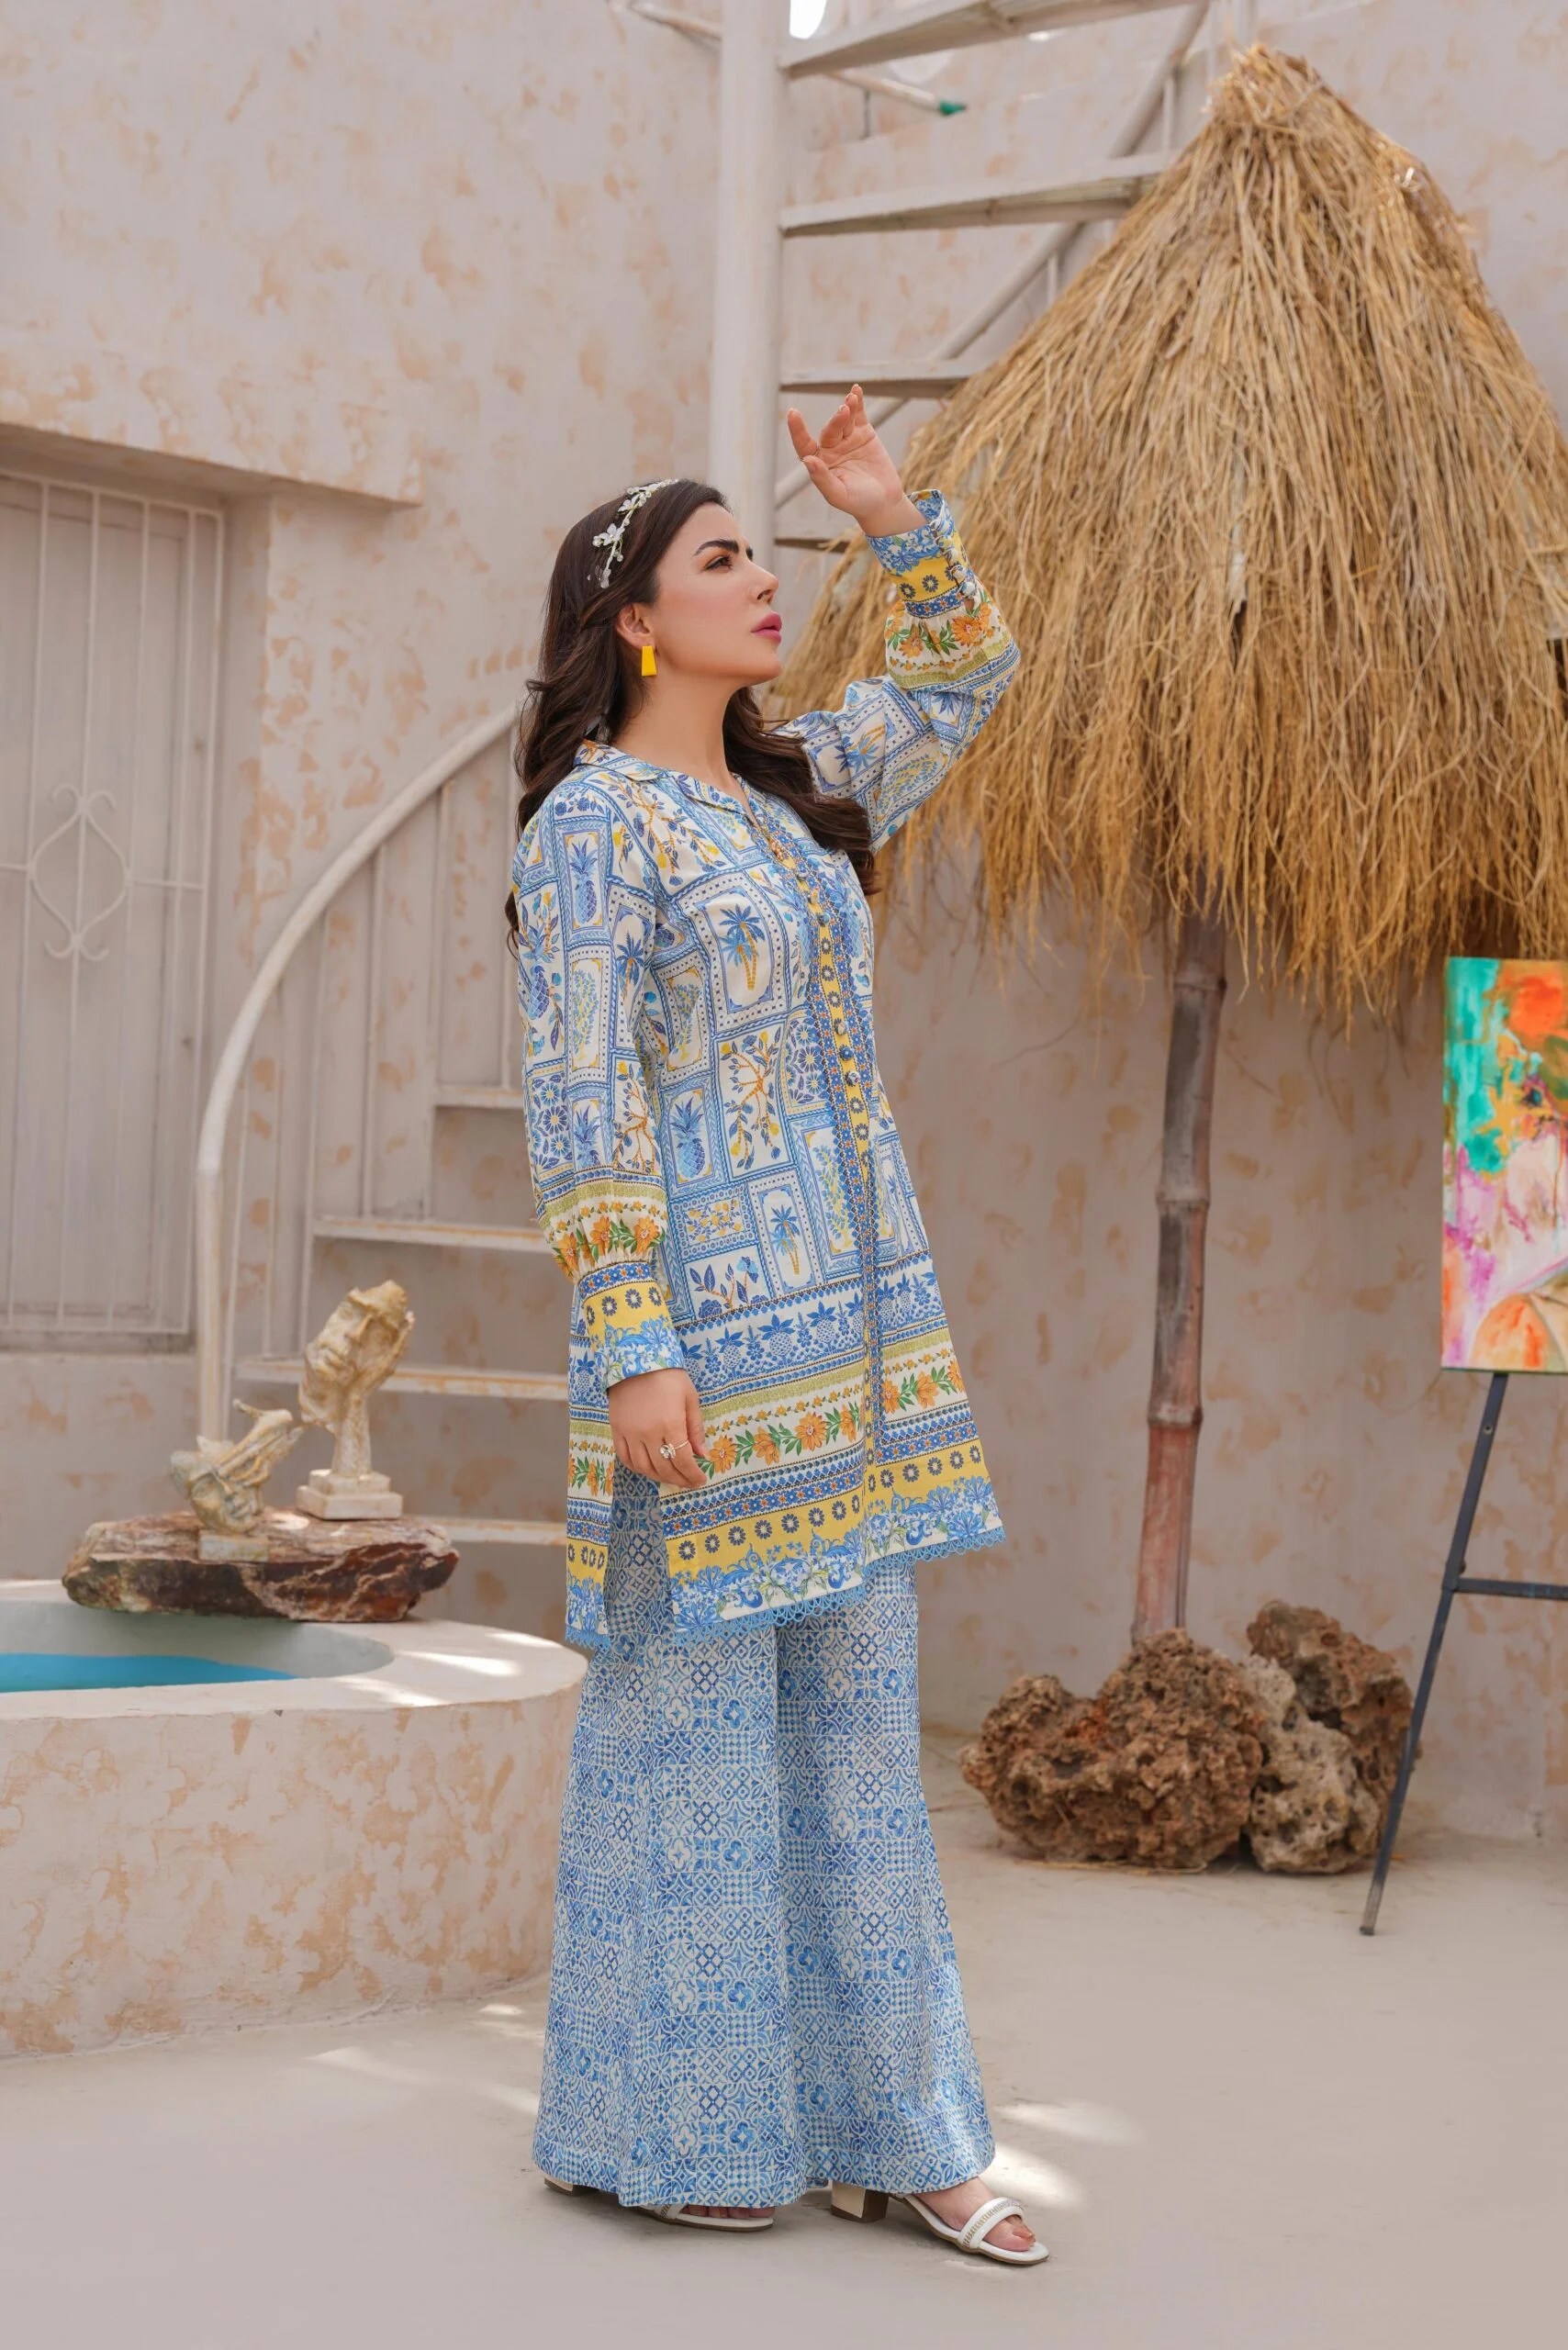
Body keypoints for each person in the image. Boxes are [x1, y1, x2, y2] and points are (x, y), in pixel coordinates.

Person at [506, 389, 1044, 2266]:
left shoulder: (801, 781)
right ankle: (680, 2126)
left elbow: (969, 673)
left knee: (861, 1748)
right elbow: (581, 1099)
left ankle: (907, 2135)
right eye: (721, 556)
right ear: (635, 618)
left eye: (760, 551)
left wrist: (887, 511)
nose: (762, 579)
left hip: (858, 1352)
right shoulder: (595, 828)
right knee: (695, 1756)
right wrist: (633, 1341)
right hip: (703, 1358)